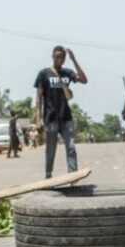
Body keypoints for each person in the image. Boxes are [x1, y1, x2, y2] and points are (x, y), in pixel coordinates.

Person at [34, 46, 88, 178]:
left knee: (71, 147)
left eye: (61, 57)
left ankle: (73, 176)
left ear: (64, 59)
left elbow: (84, 80)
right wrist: (38, 118)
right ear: (52, 56)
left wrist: (74, 60)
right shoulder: (43, 74)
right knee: (51, 149)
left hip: (66, 117)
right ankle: (48, 175)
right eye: (56, 56)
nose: (59, 59)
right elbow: (39, 98)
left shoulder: (68, 73)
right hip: (50, 117)